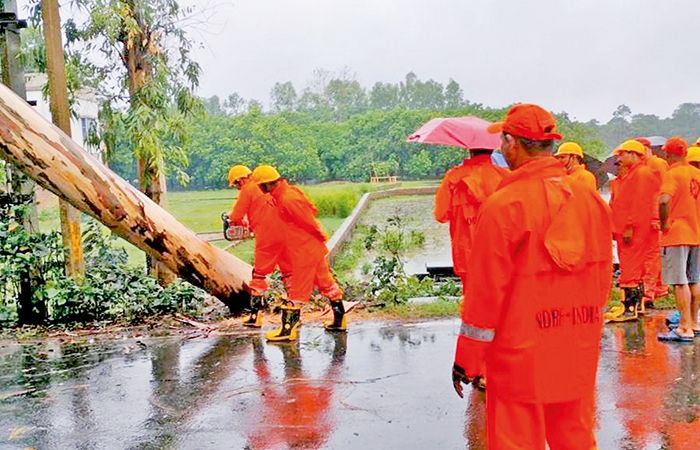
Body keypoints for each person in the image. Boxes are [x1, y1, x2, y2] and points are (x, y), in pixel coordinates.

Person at [451, 103, 613, 449]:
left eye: (503, 140)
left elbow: (485, 294)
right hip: (576, 344)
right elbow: (603, 277)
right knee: (576, 436)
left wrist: (467, 358)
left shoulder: (504, 206)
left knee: (516, 440)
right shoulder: (590, 199)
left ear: (511, 143)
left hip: (518, 355)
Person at [251, 165, 346, 342]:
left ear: (265, 184)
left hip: (305, 250)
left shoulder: (288, 198)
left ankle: (288, 330)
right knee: (327, 284)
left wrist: (320, 237)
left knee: (297, 291)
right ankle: (340, 321)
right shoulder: (282, 196)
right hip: (309, 249)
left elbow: (309, 220)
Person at [434, 148, 509, 290]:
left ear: (470, 150)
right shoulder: (505, 177)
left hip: (467, 254)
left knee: (472, 302)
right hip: (500, 253)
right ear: (492, 150)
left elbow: (441, 215)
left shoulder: (454, 177)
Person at [227, 164, 291, 327]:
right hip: (285, 234)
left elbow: (237, 215)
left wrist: (231, 218)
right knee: (288, 274)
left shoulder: (248, 189)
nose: (237, 187)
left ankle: (255, 316)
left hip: (266, 237)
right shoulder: (268, 187)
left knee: (259, 276)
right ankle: (293, 314)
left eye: (236, 184)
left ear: (240, 180)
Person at [607, 140, 659, 321]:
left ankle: (630, 309)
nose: (619, 158)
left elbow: (639, 205)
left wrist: (629, 226)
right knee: (631, 267)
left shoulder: (642, 174)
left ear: (633, 154)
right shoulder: (634, 174)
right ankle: (637, 307)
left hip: (633, 230)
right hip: (628, 228)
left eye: (622, 154)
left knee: (631, 268)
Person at [655, 137, 700, 342]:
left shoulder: (672, 174)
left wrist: (664, 223)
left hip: (677, 233)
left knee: (680, 282)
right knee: (694, 279)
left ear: (668, 153)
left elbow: (664, 200)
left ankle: (683, 327)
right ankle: (693, 323)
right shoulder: (696, 174)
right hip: (696, 233)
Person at [636, 137, 670, 305]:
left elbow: (663, 192)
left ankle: (651, 289)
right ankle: (658, 287)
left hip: (655, 216)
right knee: (651, 253)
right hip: (644, 217)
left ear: (646, 149)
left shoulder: (657, 164)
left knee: (653, 254)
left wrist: (658, 217)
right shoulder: (641, 167)